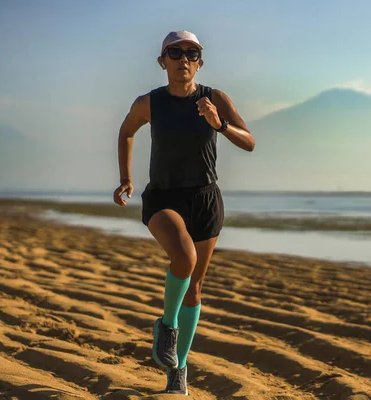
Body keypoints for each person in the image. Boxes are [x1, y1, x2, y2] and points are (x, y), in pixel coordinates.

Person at [113, 30, 255, 395]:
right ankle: (167, 325)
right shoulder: (150, 103)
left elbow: (249, 142)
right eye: (174, 53)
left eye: (192, 54)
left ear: (200, 63)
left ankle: (179, 371)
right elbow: (126, 132)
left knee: (194, 288)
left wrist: (219, 124)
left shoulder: (215, 98)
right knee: (184, 258)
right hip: (163, 198)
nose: (183, 60)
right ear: (162, 62)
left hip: (206, 199)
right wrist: (127, 179)